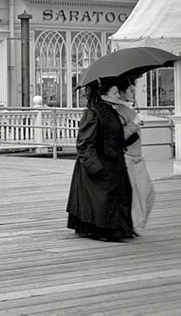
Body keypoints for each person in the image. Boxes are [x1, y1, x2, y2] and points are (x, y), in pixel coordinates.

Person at [66, 79, 135, 242]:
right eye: (115, 92)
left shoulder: (111, 112)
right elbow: (84, 143)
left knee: (120, 193)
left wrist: (133, 131)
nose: (119, 95)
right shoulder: (92, 113)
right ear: (104, 95)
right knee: (102, 198)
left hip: (114, 163)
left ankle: (118, 229)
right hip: (99, 165)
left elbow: (115, 139)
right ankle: (104, 230)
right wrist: (95, 167)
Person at [114, 77, 155, 231]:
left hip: (137, 157)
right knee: (137, 194)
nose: (134, 93)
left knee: (145, 192)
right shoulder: (118, 111)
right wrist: (135, 123)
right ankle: (132, 225)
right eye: (130, 90)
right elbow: (119, 136)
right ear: (122, 93)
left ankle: (135, 224)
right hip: (129, 158)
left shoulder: (128, 109)